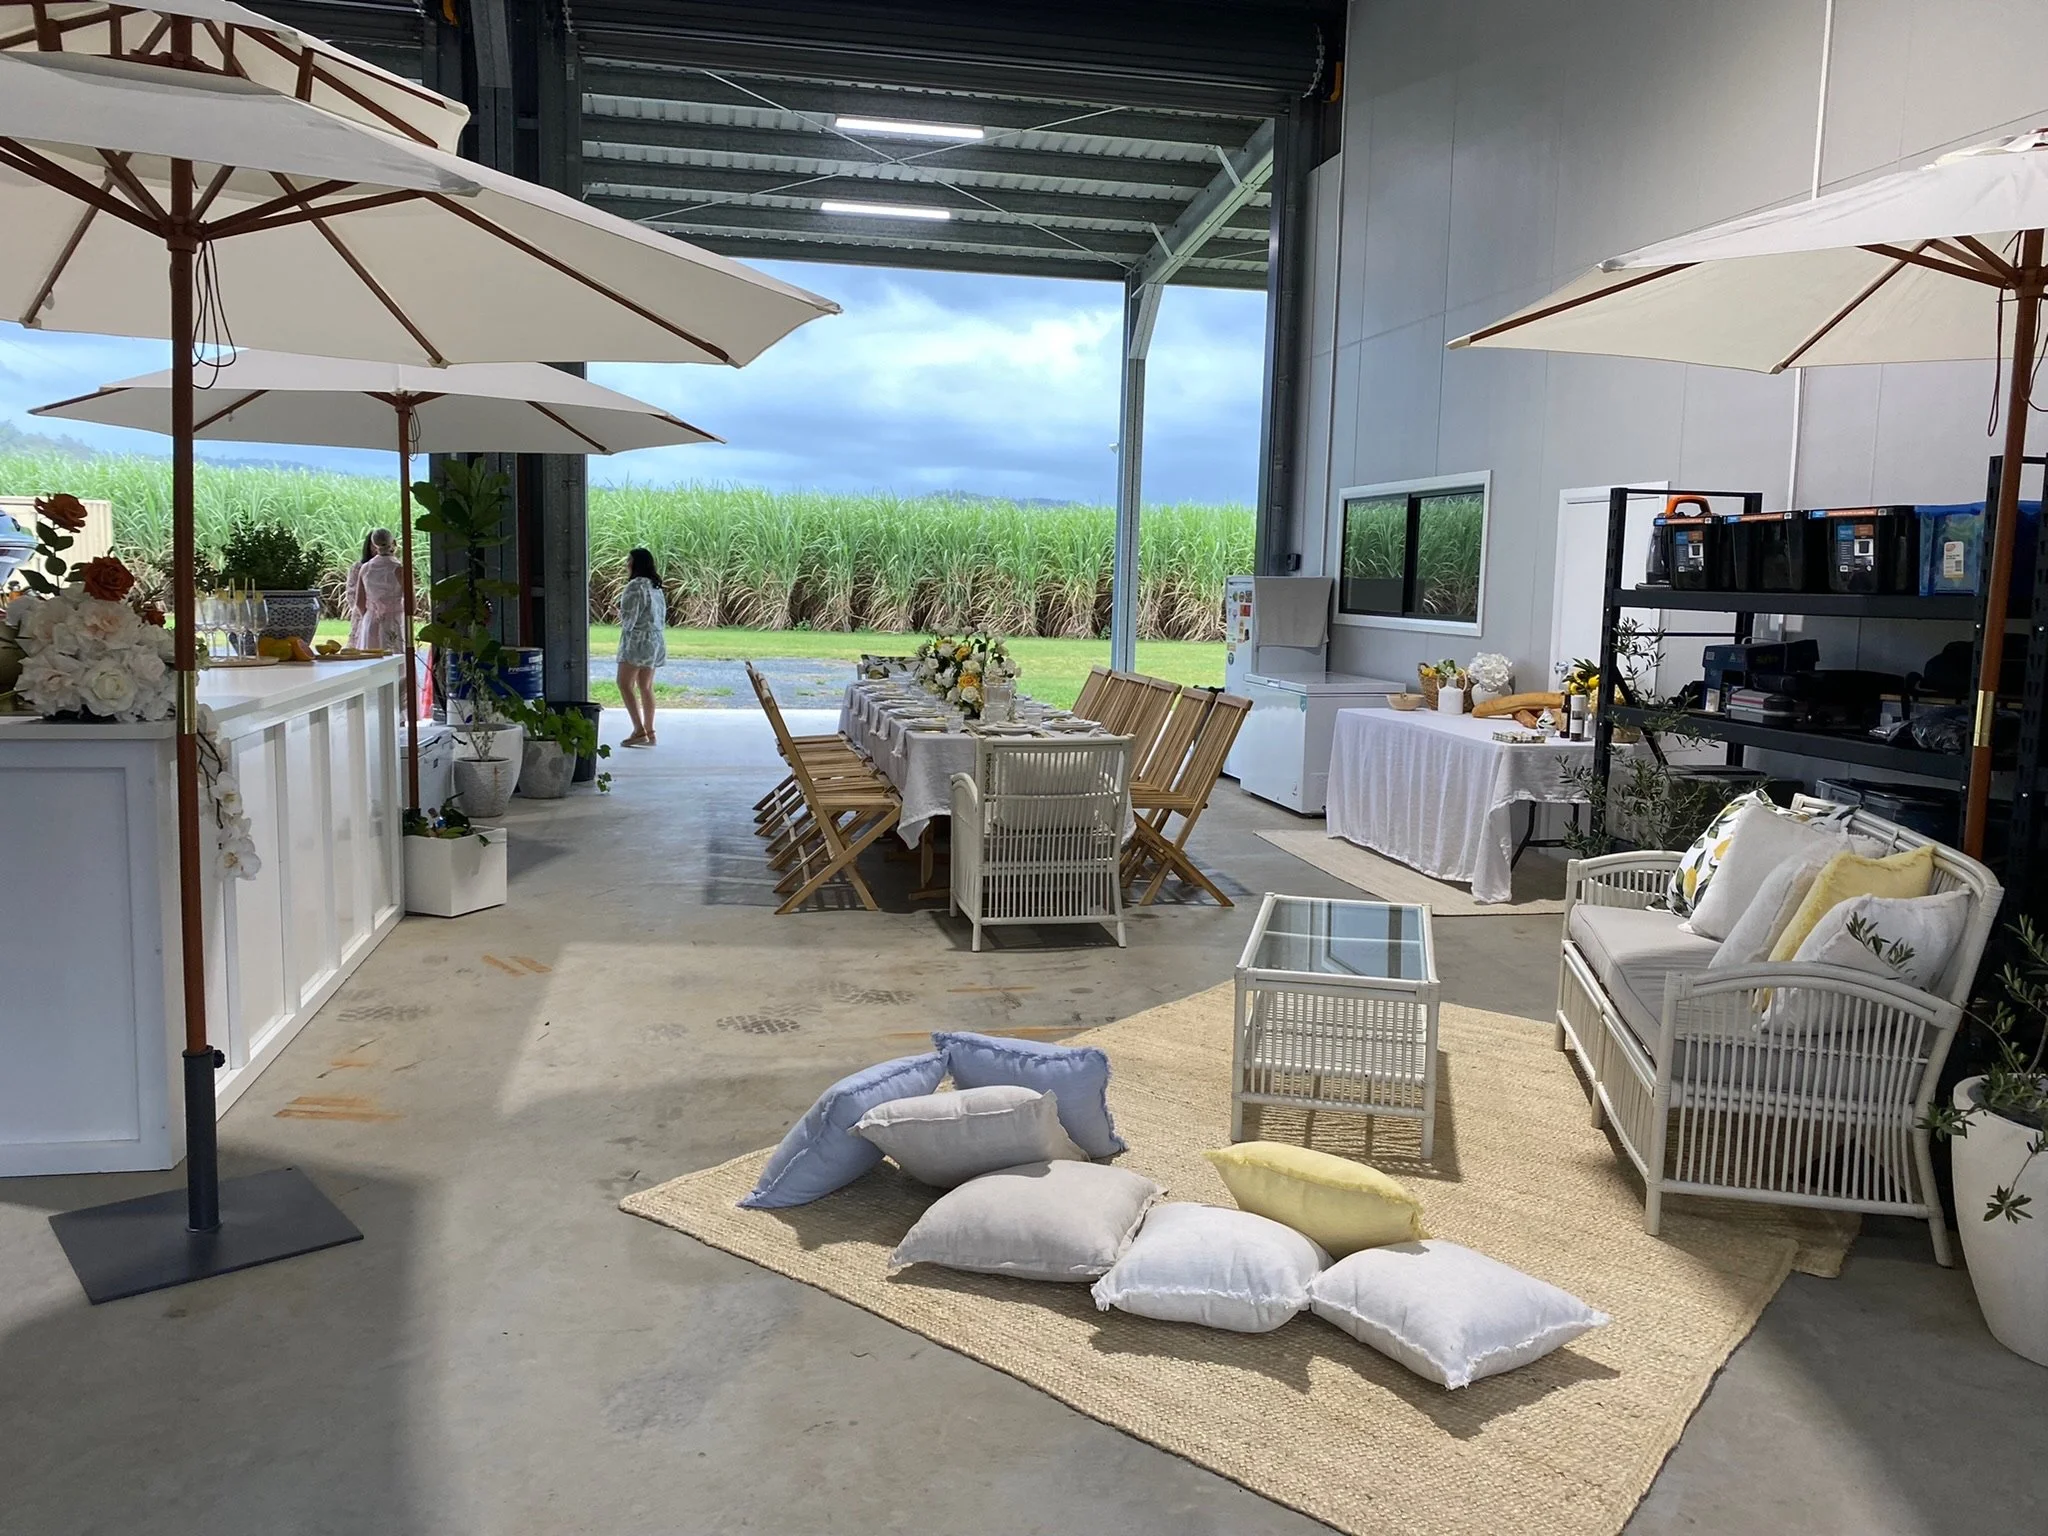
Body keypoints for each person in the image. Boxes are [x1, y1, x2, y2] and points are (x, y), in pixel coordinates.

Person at [616, 546, 667, 747]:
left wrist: (618, 614)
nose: (626, 564)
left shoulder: (635, 586)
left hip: (637, 641)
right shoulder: (656, 586)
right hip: (655, 640)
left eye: (629, 560)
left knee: (624, 683)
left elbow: (630, 619)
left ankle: (638, 730)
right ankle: (650, 730)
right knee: (645, 686)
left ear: (635, 564)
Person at [346, 528, 406, 654]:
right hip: (394, 621)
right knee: (395, 659)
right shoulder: (399, 569)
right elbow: (412, 606)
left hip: (370, 621)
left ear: (374, 545)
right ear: (393, 543)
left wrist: (371, 614)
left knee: (371, 659)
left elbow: (359, 603)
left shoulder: (365, 568)